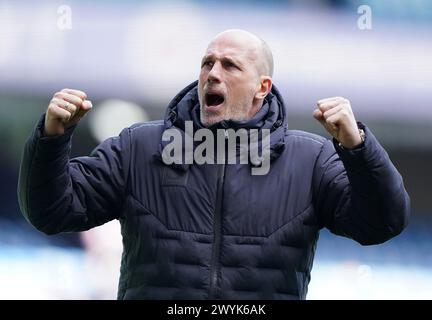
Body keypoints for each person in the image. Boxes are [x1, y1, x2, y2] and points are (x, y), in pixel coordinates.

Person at [18, 29, 410, 300]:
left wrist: (358, 148)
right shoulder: (139, 147)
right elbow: (52, 212)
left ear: (262, 87)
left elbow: (382, 223)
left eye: (230, 65)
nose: (212, 74)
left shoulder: (311, 158)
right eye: (207, 63)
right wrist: (52, 139)